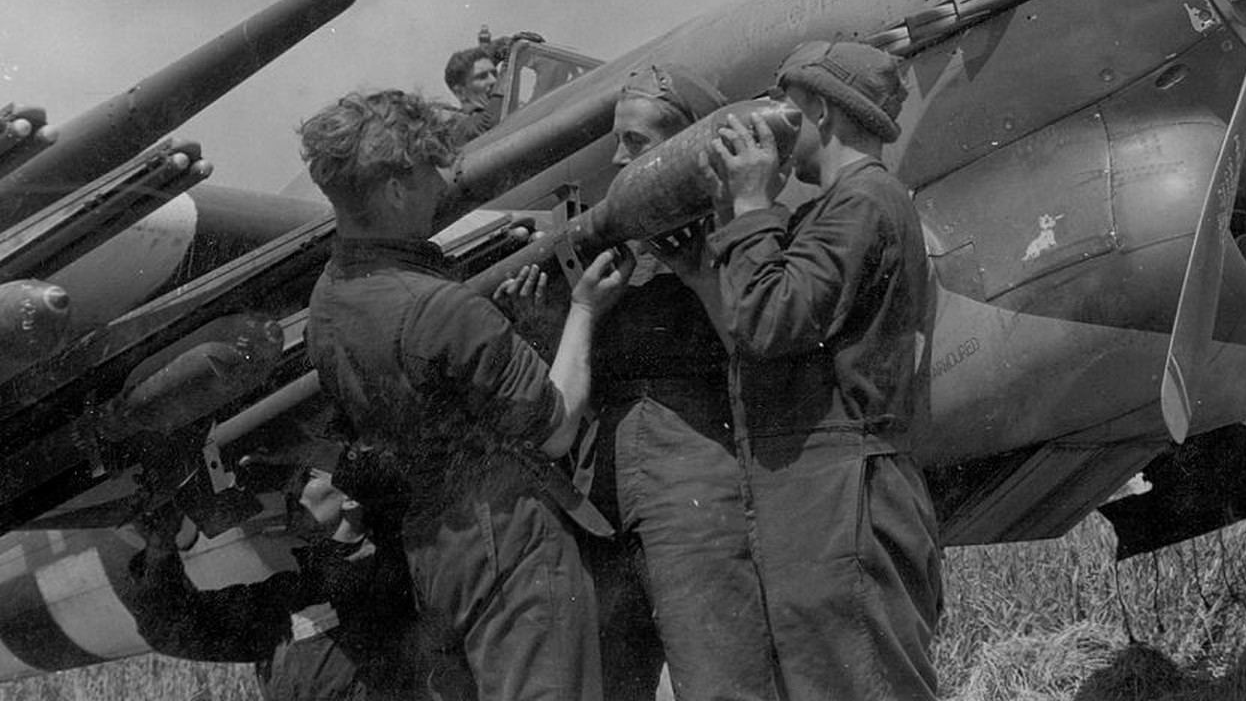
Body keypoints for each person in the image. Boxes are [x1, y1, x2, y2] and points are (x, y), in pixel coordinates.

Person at [300, 89, 632, 701]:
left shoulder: (328, 297)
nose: (442, 185)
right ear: (397, 190)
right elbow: (556, 426)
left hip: (435, 543)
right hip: (508, 536)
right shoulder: (440, 308)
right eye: (430, 173)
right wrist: (582, 309)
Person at [502, 65, 777, 701]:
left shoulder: (741, 230)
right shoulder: (617, 239)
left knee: (719, 676)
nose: (621, 160)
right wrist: (550, 320)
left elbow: (759, 347)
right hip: (602, 485)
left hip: (693, 473)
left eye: (640, 143)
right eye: (618, 142)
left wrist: (699, 273)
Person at [704, 40, 943, 701]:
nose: (772, 123)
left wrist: (752, 208)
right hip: (826, 498)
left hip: (845, 500)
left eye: (785, 104)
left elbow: (770, 321)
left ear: (821, 111)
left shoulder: (862, 203)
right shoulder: (839, 208)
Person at [121, 470, 459, 701]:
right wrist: (159, 548)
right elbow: (172, 629)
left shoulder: (405, 568)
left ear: (351, 499)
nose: (291, 489)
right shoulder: (285, 599)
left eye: (308, 476)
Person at [443, 47, 502, 145]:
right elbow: (492, 121)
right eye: (482, 77)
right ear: (460, 93)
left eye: (494, 74)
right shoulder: (462, 130)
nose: (494, 81)